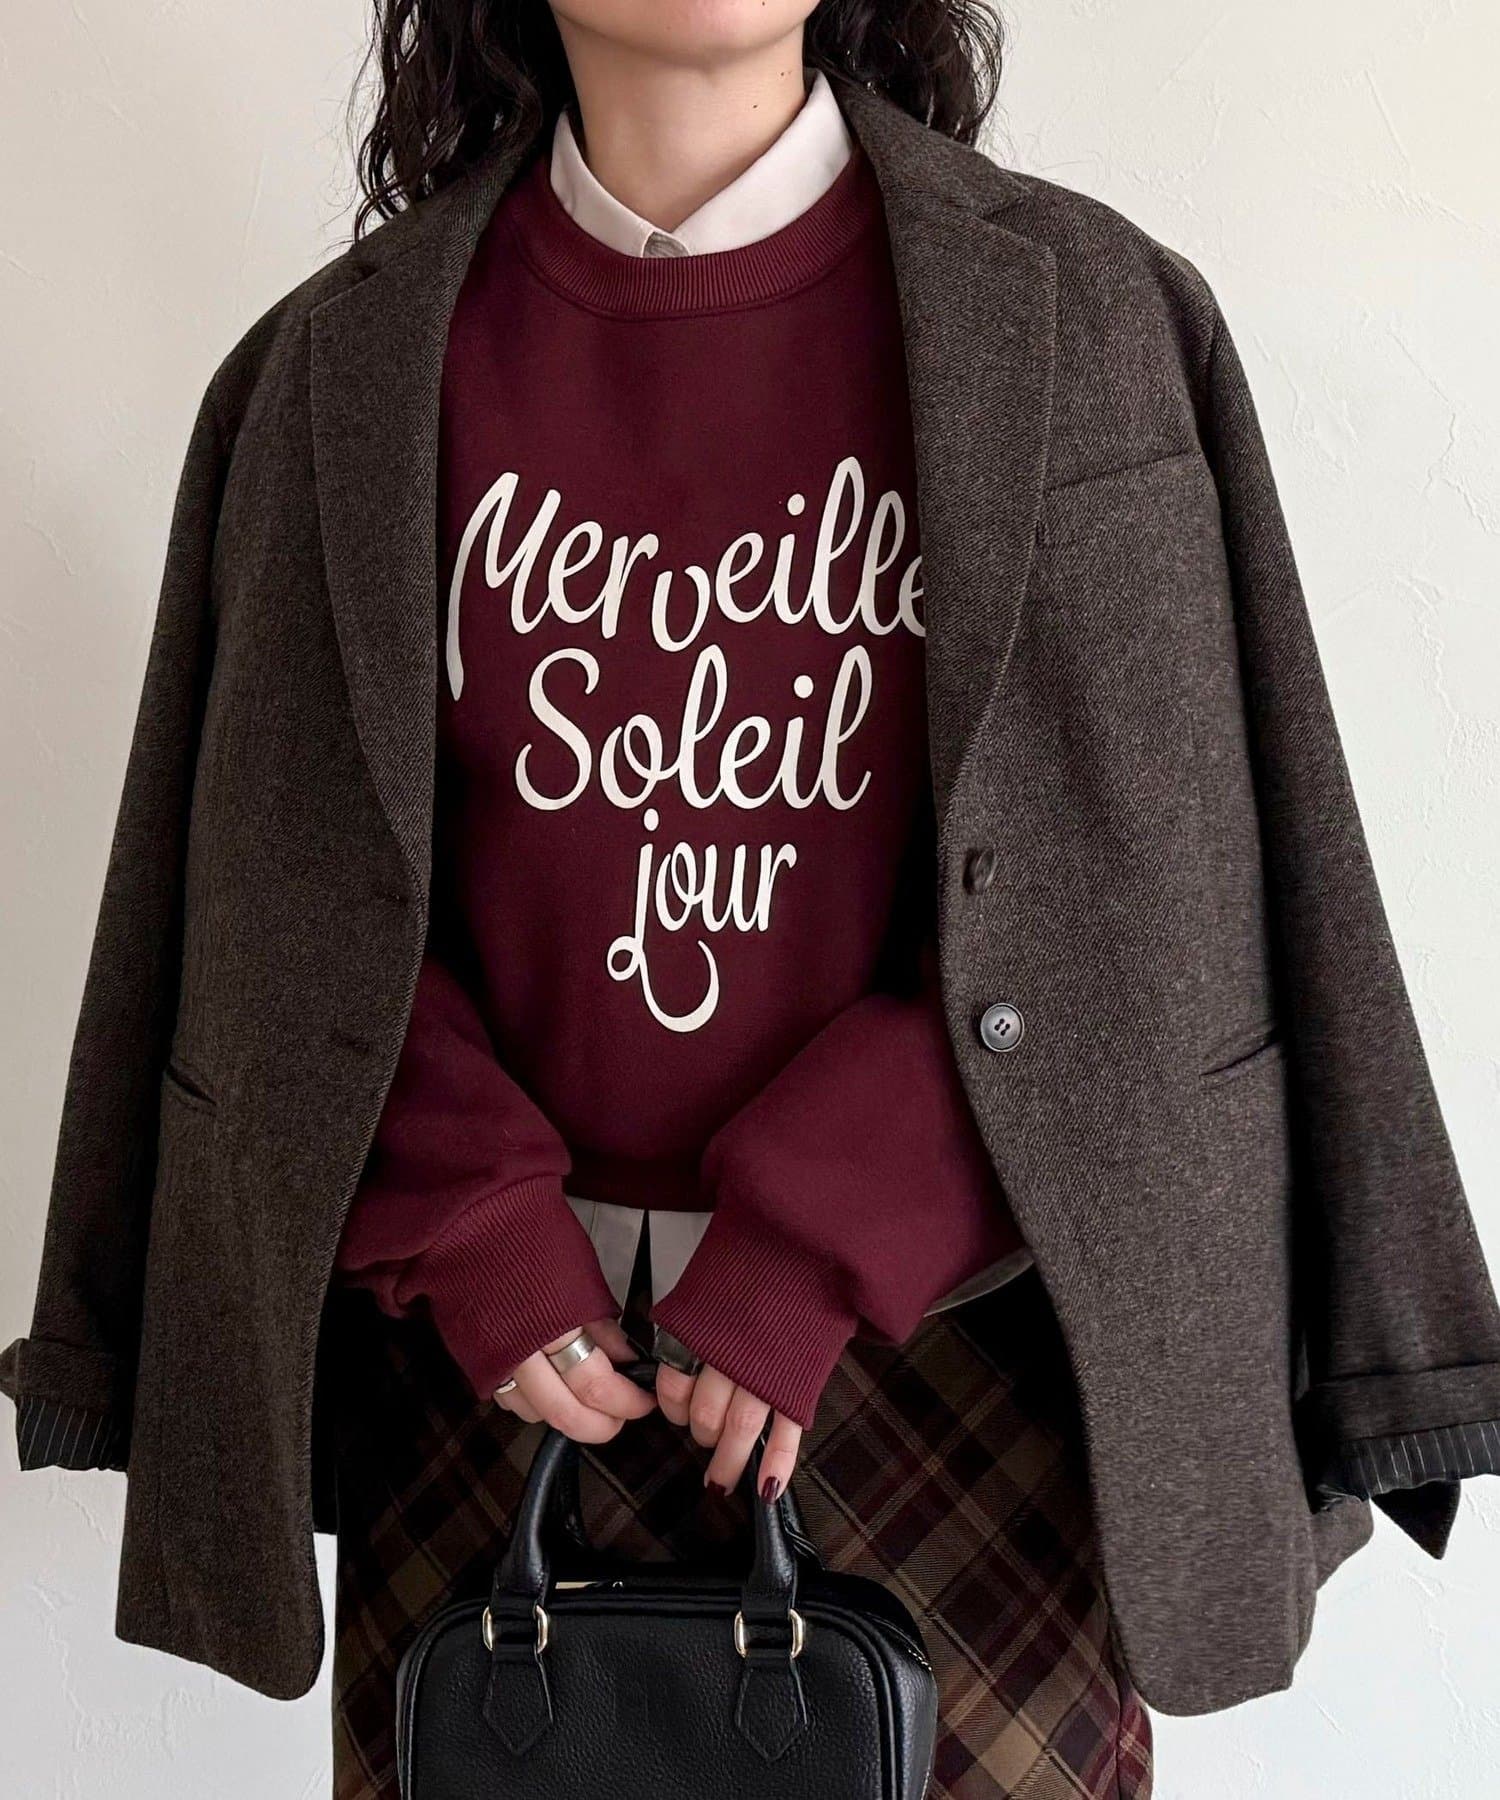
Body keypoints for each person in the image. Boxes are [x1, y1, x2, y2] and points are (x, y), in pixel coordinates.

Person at [6, 5, 1499, 1798]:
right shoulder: (333, 368)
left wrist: (819, 1238)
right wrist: (471, 1224)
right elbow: (274, 894)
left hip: (978, 1344)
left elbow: (1153, 893)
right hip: (484, 1372)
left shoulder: (1093, 316)